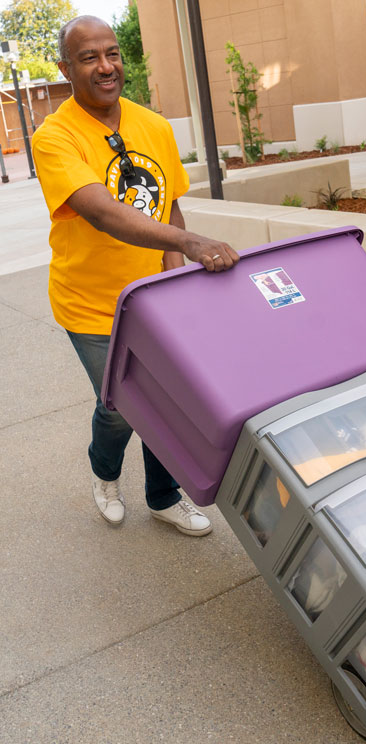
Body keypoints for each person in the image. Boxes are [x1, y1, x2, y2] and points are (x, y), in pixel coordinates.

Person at [32, 15, 240, 535]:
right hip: (92, 302)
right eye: (89, 58)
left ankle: (164, 497)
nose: (106, 67)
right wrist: (190, 245)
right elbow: (101, 210)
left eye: (113, 54)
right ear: (66, 68)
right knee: (122, 407)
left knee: (169, 400)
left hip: (153, 297)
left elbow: (168, 208)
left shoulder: (153, 125)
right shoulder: (54, 137)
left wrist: (176, 282)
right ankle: (105, 474)